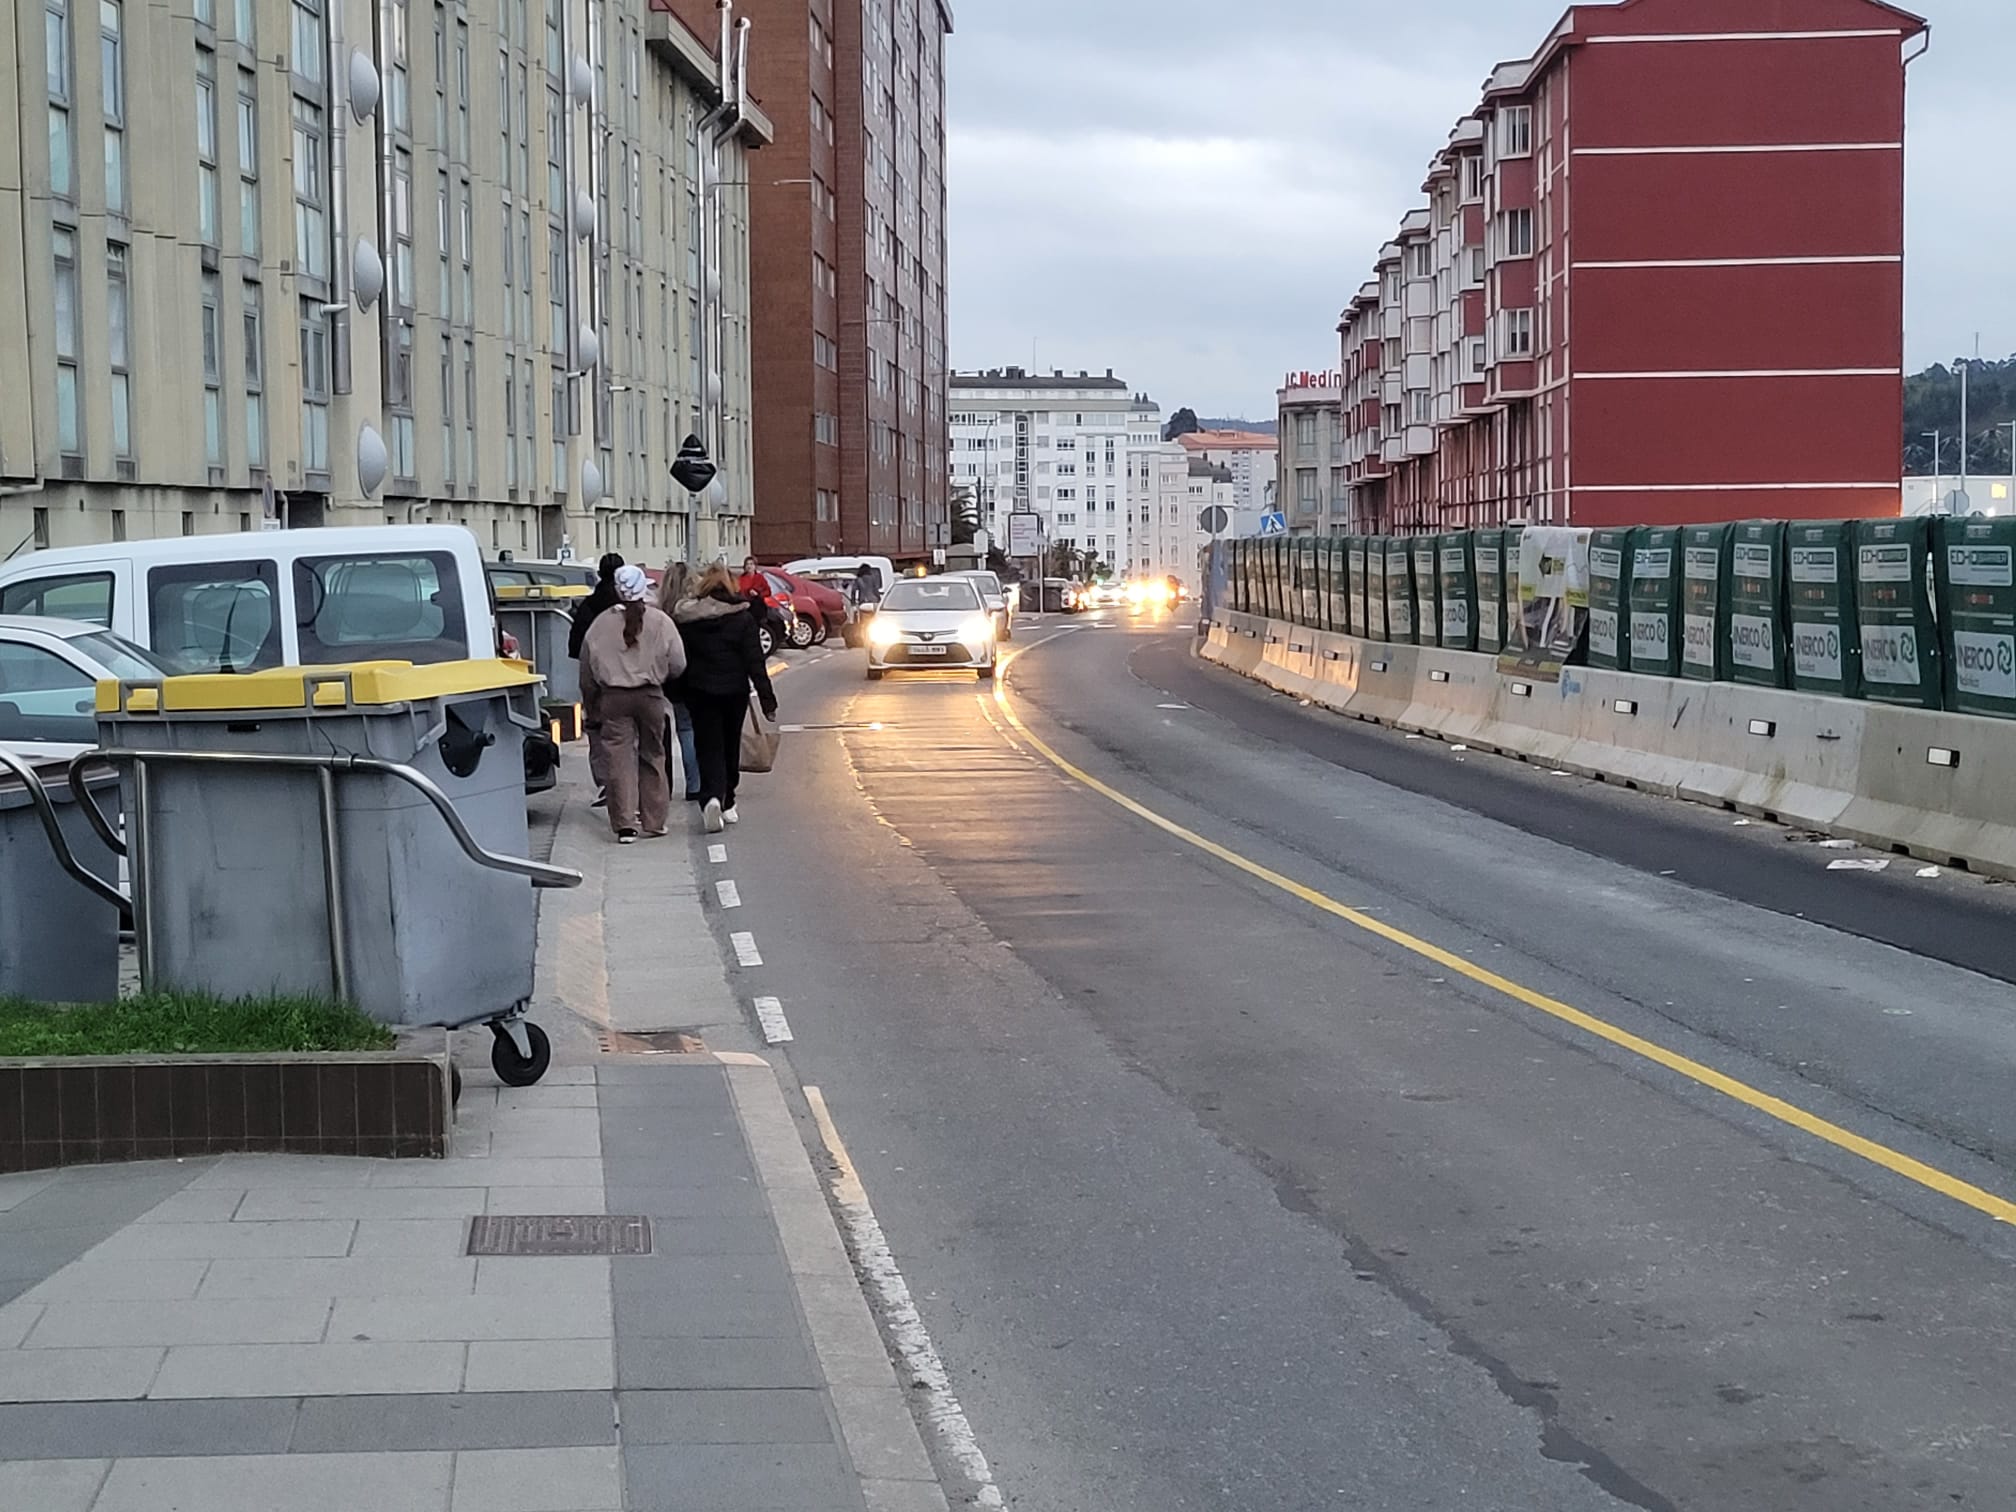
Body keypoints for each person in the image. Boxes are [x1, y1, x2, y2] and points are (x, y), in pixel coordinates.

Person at [578, 565, 686, 844]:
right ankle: (654, 820)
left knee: (618, 759)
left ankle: (625, 823)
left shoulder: (600, 624)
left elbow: (587, 672)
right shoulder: (661, 622)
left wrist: (592, 705)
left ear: (617, 589)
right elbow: (678, 663)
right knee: (653, 755)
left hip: (613, 698)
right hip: (650, 696)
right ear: (644, 588)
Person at [672, 562, 778, 834]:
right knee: (730, 745)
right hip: (734, 692)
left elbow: (680, 660)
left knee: (707, 747)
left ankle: (710, 798)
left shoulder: (688, 618)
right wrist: (767, 701)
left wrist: (676, 692)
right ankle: (728, 799)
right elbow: (755, 662)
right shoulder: (742, 618)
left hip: (699, 692)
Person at [569, 552, 626, 808]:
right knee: (628, 732)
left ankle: (605, 781)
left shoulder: (589, 606)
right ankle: (628, 782)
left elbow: (574, 644)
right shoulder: (629, 606)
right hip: (627, 677)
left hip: (595, 676)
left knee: (596, 728)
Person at [655, 562, 703, 804]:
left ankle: (692, 783)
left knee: (684, 728)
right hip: (700, 677)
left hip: (674, 679)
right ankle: (701, 782)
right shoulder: (698, 611)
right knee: (701, 729)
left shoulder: (662, 614)